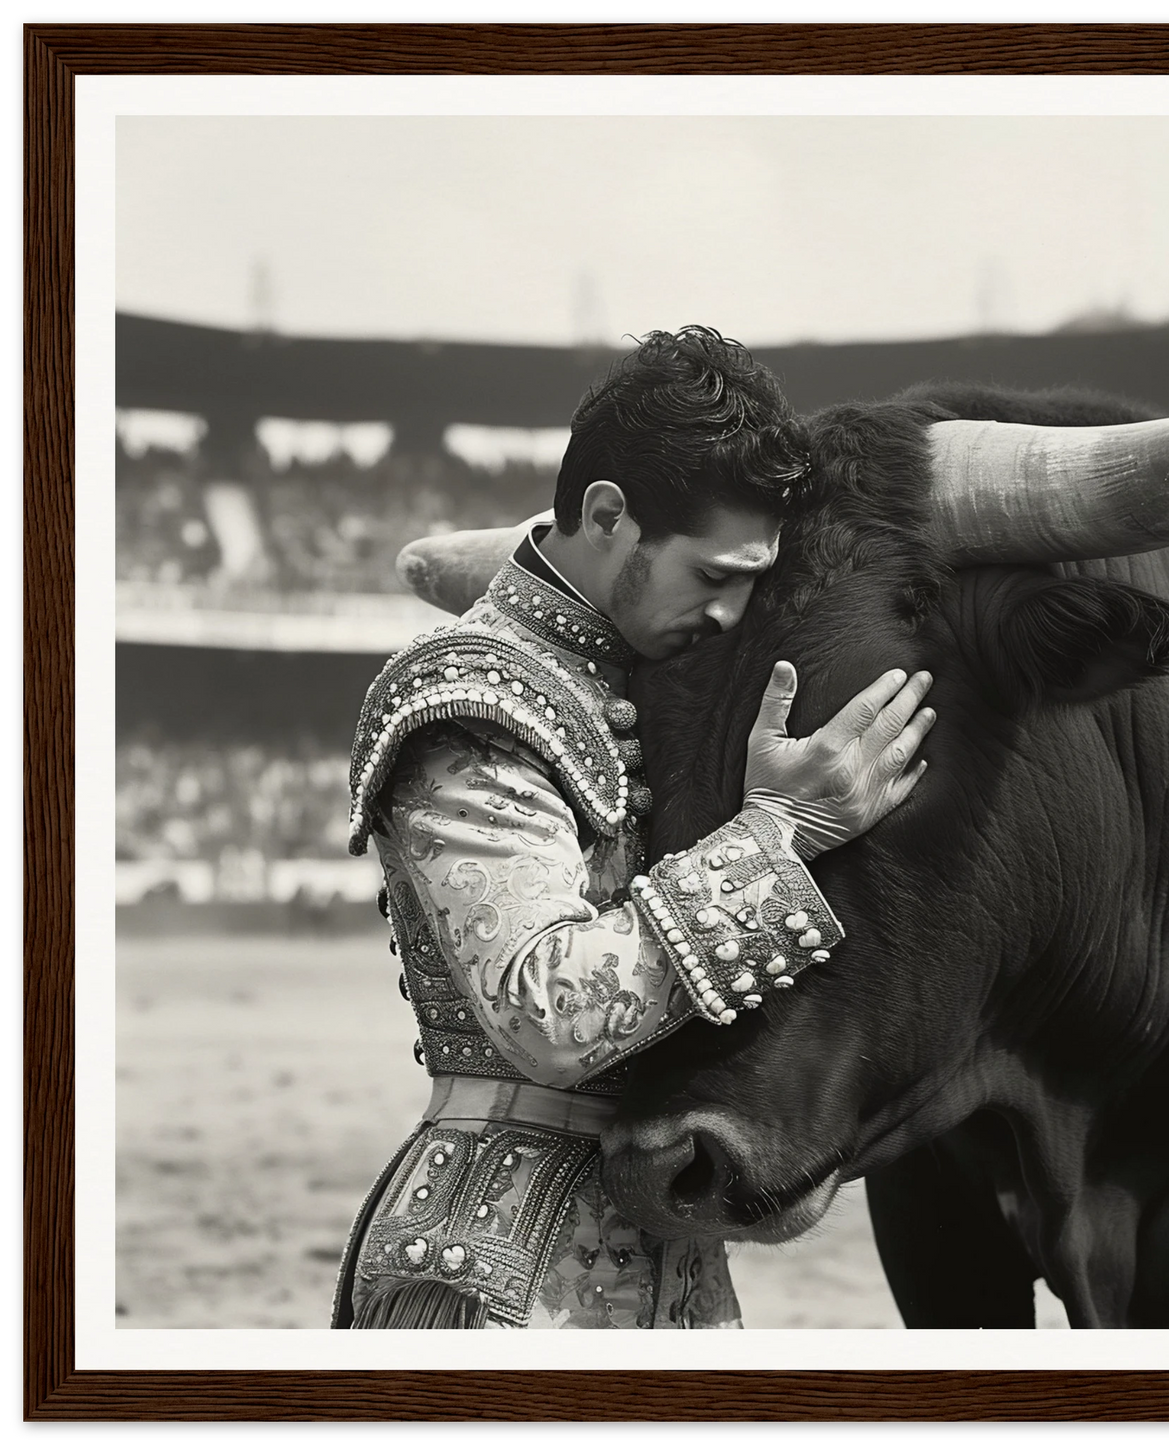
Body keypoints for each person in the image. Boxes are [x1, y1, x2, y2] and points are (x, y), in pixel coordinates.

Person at [332, 326, 936, 1330]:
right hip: (497, 1272)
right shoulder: (476, 693)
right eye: (712, 575)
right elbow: (548, 1011)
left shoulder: (646, 676)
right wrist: (779, 831)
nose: (732, 612)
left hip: (672, 1264)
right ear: (607, 515)